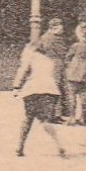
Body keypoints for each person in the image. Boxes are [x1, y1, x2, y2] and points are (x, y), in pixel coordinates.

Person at [12, 20, 68, 159]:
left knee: (28, 118)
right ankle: (59, 144)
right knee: (46, 121)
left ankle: (20, 146)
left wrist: (16, 87)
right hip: (49, 89)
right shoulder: (49, 60)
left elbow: (23, 70)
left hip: (32, 89)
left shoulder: (30, 56)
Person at [64, 23, 86, 125]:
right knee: (84, 96)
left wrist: (69, 67)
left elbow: (68, 58)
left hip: (73, 72)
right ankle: (82, 117)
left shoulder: (75, 46)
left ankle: (72, 117)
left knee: (72, 95)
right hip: (85, 72)